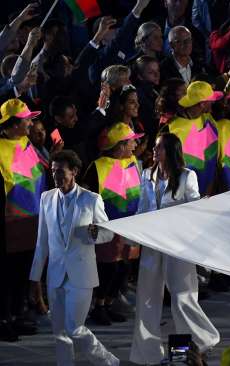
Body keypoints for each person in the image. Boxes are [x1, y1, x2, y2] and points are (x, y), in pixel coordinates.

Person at [130, 133, 220, 364]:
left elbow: (194, 206)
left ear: (170, 151)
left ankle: (202, 340)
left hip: (177, 244)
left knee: (182, 296)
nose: (154, 150)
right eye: (155, 146)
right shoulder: (147, 174)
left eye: (159, 147)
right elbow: (142, 208)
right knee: (146, 298)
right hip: (152, 244)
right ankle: (146, 354)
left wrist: (203, 206)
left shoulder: (187, 176)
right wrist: (131, 236)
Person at [29, 149, 119, 366]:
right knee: (59, 331)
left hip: (82, 274)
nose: (56, 176)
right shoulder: (46, 198)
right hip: (55, 275)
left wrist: (95, 234)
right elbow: (42, 242)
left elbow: (108, 232)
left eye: (61, 172)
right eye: (53, 172)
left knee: (74, 327)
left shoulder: (91, 199)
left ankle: (107, 361)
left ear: (75, 172)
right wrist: (35, 277)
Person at [84, 123, 143, 326]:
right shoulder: (97, 166)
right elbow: (86, 196)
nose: (135, 144)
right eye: (131, 141)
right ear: (119, 146)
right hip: (107, 227)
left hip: (130, 224)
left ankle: (108, 304)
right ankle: (98, 306)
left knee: (124, 267)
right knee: (108, 268)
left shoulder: (133, 161)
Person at [0, 99, 48, 342]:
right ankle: (3, 319)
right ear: (13, 123)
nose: (31, 122)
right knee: (6, 275)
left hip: (31, 220)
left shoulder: (26, 143)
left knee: (23, 271)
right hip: (9, 223)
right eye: (27, 119)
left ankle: (18, 316)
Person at [160, 80, 223, 196]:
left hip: (210, 190)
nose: (213, 103)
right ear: (202, 104)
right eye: (210, 100)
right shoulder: (170, 128)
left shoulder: (209, 118)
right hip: (183, 196)